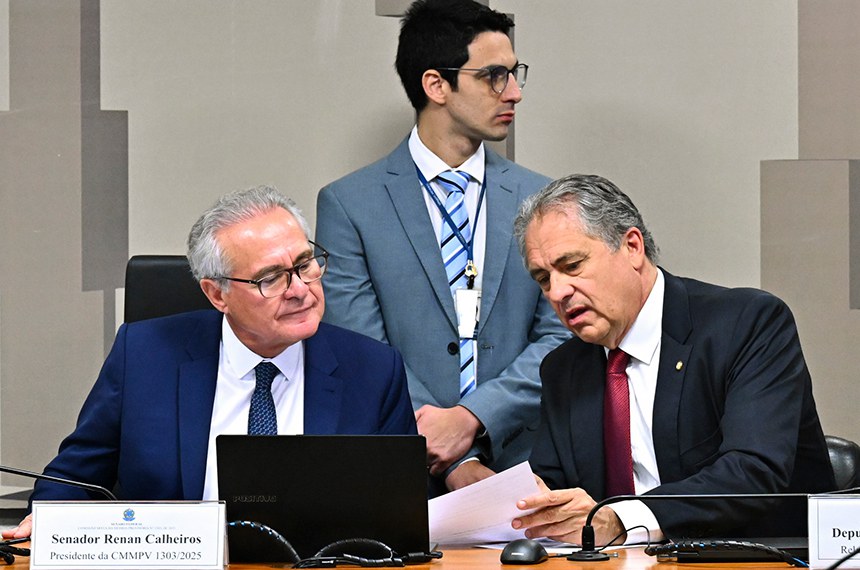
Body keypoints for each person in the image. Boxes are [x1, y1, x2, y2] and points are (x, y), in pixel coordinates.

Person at [4, 185, 416, 538]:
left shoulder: (374, 370)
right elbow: (74, 479)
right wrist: (49, 522)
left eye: (304, 264)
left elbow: (403, 511)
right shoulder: (144, 357)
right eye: (271, 278)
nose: (299, 290)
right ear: (217, 295)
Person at [316, 0, 569, 493]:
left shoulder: (541, 197)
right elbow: (359, 347)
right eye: (494, 76)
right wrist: (451, 458)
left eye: (514, 73)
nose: (514, 92)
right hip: (400, 468)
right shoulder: (349, 204)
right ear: (436, 85)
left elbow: (561, 334)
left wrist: (475, 417)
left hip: (526, 465)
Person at [510, 174, 835, 544]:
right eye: (543, 278)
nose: (557, 292)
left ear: (632, 247)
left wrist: (621, 520)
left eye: (571, 266)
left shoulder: (746, 324)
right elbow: (553, 487)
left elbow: (752, 471)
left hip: (753, 558)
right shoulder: (563, 368)